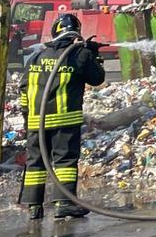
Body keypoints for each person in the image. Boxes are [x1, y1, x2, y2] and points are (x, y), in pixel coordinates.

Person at [19, 13, 105, 221]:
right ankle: (64, 204)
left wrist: (26, 117)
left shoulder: (37, 56)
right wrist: (93, 55)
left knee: (35, 163)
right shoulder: (79, 55)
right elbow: (97, 78)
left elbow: (23, 87)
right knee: (65, 161)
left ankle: (34, 207)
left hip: (35, 122)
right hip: (64, 121)